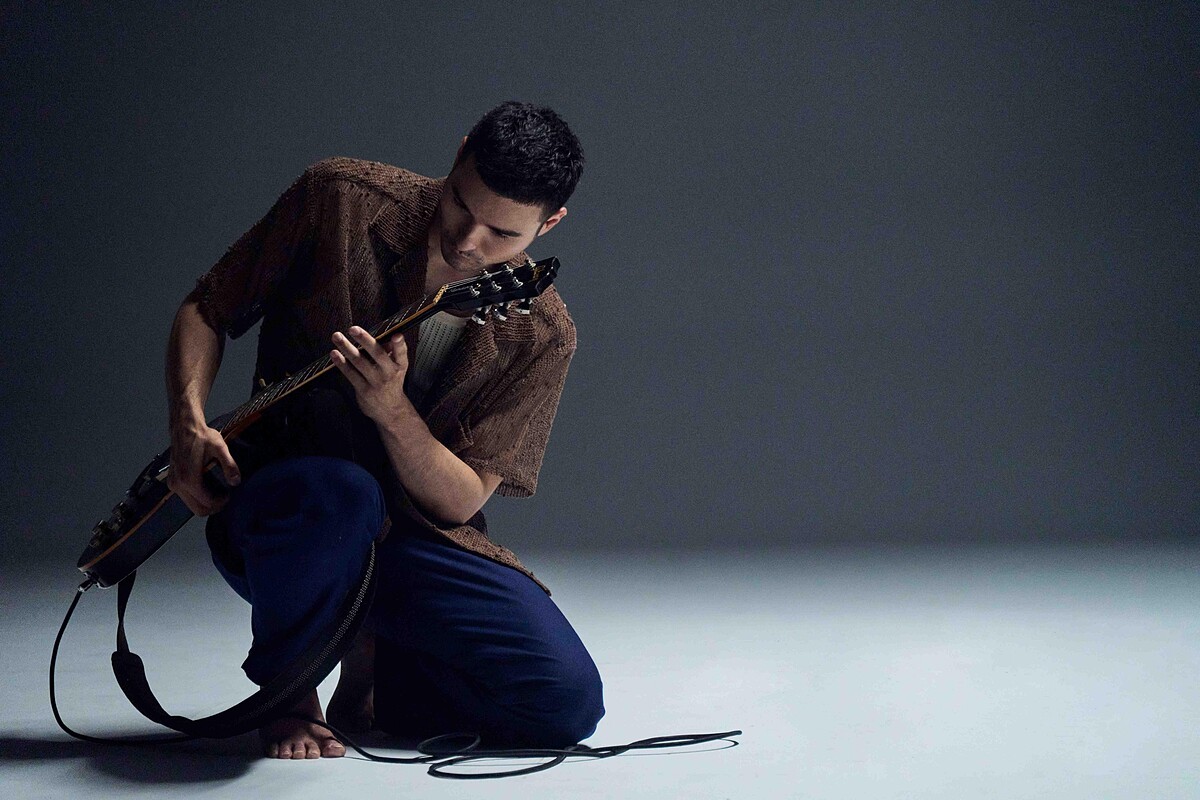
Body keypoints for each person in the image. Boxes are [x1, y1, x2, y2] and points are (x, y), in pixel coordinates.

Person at [164, 101, 603, 759]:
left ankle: (379, 673)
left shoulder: (542, 332)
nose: (468, 242)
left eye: (502, 233)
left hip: (410, 540)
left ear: (551, 224)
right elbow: (209, 305)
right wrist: (188, 423)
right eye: (461, 205)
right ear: (458, 153)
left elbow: (458, 502)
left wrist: (392, 411)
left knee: (566, 700)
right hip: (291, 521)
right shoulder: (339, 198)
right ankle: (291, 688)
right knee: (343, 492)